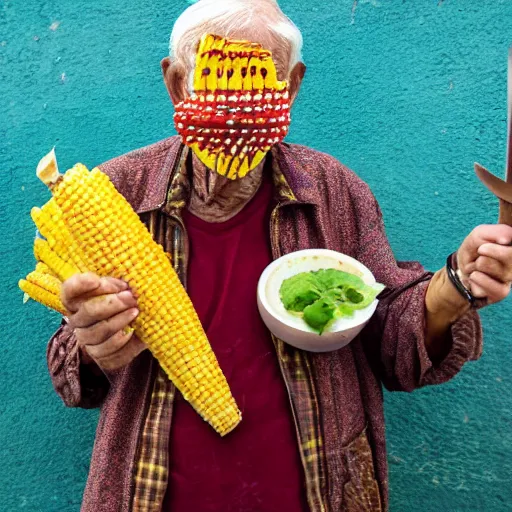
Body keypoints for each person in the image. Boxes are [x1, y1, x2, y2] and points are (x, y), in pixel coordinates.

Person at [47, 1, 512, 511]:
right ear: (178, 84)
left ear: (290, 87)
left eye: (259, 85)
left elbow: (389, 341)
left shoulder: (337, 191)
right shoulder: (117, 191)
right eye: (221, 84)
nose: (238, 109)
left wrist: (454, 287)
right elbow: (72, 377)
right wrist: (93, 342)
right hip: (150, 491)